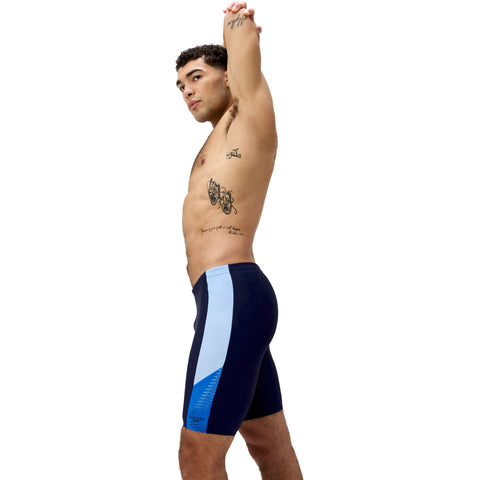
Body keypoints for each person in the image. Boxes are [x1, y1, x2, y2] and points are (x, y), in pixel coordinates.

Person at [176, 2, 303, 479]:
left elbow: (243, 48)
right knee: (269, 447)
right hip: (225, 301)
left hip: (231, 292)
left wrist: (236, 23)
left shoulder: (248, 115)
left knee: (196, 452)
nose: (187, 90)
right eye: (180, 85)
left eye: (196, 77)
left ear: (230, 77)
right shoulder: (216, 141)